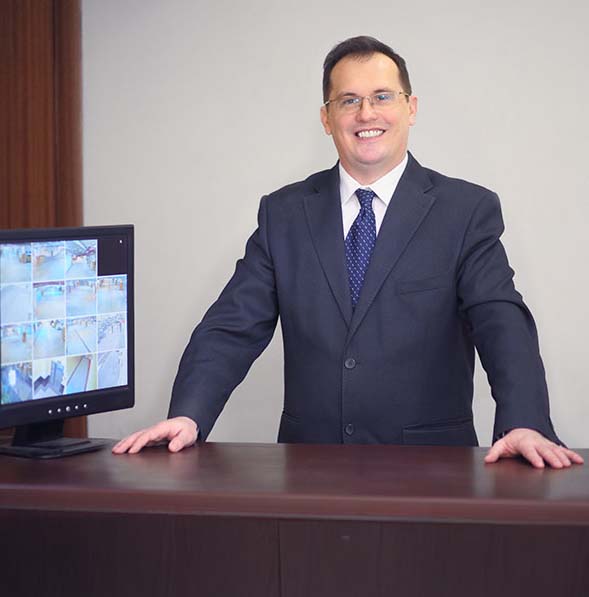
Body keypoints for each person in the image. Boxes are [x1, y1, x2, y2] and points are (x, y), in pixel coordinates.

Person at [114, 36, 582, 470]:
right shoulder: (284, 213)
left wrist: (525, 421)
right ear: (326, 117)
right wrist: (189, 415)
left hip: (433, 470)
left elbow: (501, 320)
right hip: (310, 470)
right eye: (349, 100)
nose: (366, 114)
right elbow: (232, 326)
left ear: (411, 107)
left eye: (382, 96)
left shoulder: (466, 210)